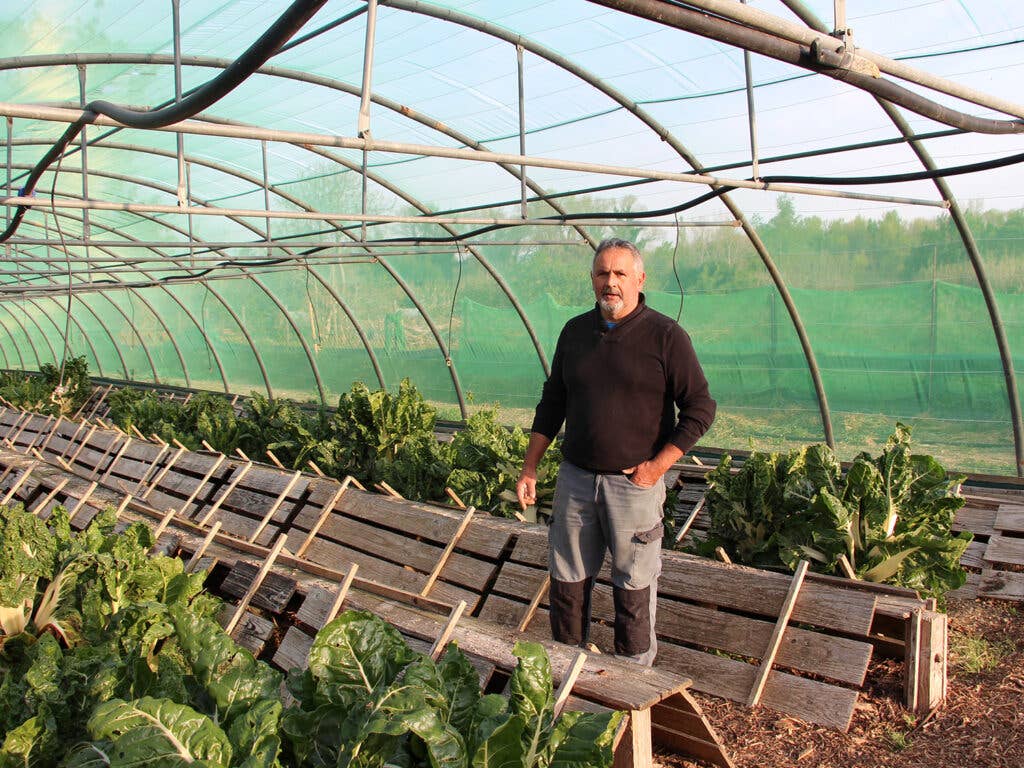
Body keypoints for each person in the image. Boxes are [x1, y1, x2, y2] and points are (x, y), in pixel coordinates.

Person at [515, 237, 716, 665]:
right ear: (592, 280)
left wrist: (656, 468)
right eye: (603, 273)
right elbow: (553, 402)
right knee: (567, 581)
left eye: (620, 274)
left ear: (640, 280)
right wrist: (530, 467)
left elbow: (700, 407)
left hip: (633, 485)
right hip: (576, 479)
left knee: (633, 585)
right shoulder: (574, 332)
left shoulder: (665, 336)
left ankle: (631, 680)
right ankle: (566, 669)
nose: (611, 282)